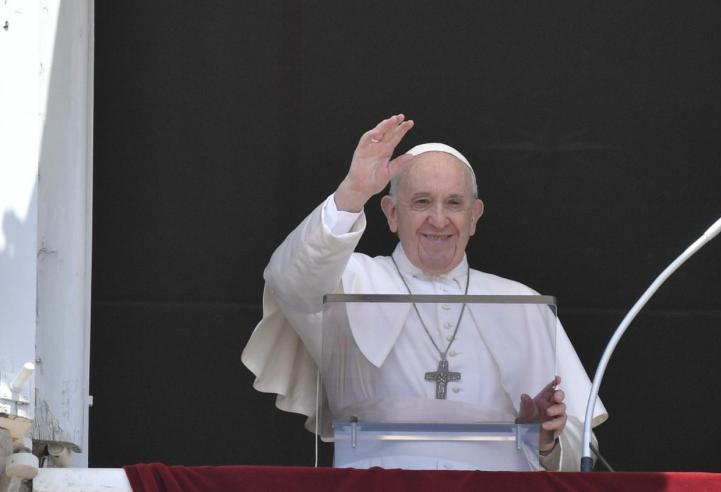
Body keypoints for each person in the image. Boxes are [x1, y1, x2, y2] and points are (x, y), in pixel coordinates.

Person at [242, 114, 607, 471]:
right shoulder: (349, 280)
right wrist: (352, 193)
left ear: (474, 216)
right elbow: (289, 280)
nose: (438, 219)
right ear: (391, 213)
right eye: (420, 202)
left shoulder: (526, 304)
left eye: (453, 203)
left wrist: (547, 439)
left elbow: (581, 455)